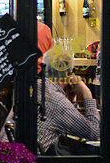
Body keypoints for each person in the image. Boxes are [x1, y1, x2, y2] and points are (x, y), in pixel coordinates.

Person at [35, 22, 100, 153]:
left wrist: (71, 97)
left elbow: (65, 121)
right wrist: (87, 93)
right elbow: (94, 132)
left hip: (17, 157)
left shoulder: (37, 86)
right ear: (69, 73)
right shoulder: (56, 101)